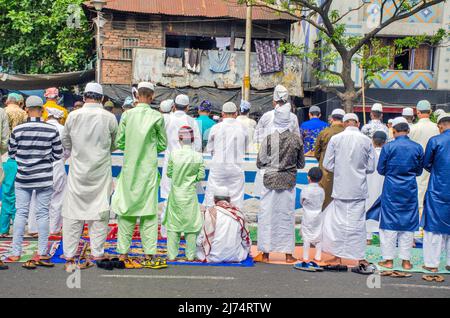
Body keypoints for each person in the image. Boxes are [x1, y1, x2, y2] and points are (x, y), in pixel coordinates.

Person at [61, 83, 118, 271]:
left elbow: (65, 142)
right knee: (100, 211)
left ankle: (69, 253)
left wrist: (76, 151)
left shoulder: (73, 116)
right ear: (101, 99)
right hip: (100, 171)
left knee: (73, 212)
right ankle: (97, 251)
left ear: (84, 97)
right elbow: (115, 143)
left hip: (78, 170)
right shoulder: (109, 117)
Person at [111, 82, 167, 269]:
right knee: (148, 214)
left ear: (136, 96)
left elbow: (119, 141)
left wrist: (133, 149)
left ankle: (123, 253)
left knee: (126, 212)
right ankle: (149, 254)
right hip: (148, 171)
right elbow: (162, 144)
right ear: (152, 97)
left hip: (129, 171)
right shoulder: (157, 117)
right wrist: (149, 149)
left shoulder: (127, 115)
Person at [7, 96, 62, 267]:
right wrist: (43, 160)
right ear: (42, 109)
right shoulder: (51, 130)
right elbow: (58, 155)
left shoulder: (18, 130)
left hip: (23, 177)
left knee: (21, 213)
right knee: (43, 214)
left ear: (27, 109)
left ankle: (16, 252)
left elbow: (11, 153)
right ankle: (42, 252)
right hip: (44, 177)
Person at [322, 113, 377, 272]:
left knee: (337, 223)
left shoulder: (336, 139)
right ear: (358, 123)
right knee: (358, 224)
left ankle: (337, 258)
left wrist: (341, 170)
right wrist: (358, 171)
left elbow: (328, 164)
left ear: (345, 124)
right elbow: (372, 167)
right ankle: (359, 258)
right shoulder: (366, 140)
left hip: (340, 187)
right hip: (358, 188)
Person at [256, 103, 305, 263]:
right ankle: (288, 255)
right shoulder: (296, 140)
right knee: (286, 217)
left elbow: (260, 162)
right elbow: (301, 164)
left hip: (270, 181)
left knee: (267, 217)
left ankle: (265, 254)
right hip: (288, 182)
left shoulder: (269, 139)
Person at [375, 117, 424, 270]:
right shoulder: (417, 147)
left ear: (394, 131)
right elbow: (419, 170)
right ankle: (406, 261)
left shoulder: (388, 147)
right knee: (408, 223)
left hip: (391, 188)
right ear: (408, 131)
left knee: (389, 223)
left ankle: (388, 260)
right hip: (409, 188)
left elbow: (381, 169)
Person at [163, 126, 205, 261]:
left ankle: (172, 255)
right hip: (190, 195)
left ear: (179, 139)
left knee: (173, 225)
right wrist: (190, 179)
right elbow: (201, 175)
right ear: (192, 139)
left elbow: (169, 173)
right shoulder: (198, 156)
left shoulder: (174, 154)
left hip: (175, 195)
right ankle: (190, 255)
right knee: (191, 226)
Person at [253, 85, 300, 198]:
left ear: (274, 101)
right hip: (287, 165)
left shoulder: (267, 116)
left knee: (265, 199)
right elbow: (298, 140)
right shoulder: (293, 117)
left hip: (267, 164)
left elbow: (257, 138)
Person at [29, 108, 68, 236]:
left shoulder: (40, 127)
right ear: (60, 118)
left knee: (36, 197)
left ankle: (34, 229)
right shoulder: (63, 129)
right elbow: (67, 151)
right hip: (57, 166)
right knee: (57, 199)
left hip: (38, 166)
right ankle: (53, 229)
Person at [204, 102, 248, 209]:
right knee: (236, 200)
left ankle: (212, 220)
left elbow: (209, 149)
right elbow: (245, 148)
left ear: (222, 114)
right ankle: (234, 222)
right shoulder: (243, 128)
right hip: (235, 169)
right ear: (236, 114)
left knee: (212, 197)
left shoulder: (216, 128)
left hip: (218, 169)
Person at [421, 113, 450, 272]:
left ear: (440, 126)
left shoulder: (435, 140)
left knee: (433, 227)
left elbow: (426, 163)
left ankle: (432, 264)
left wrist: (437, 170)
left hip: (438, 188)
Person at [160, 94, 201, 202]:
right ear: (187, 107)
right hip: (186, 162)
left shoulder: (166, 119)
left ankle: (167, 217)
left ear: (174, 106)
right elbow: (197, 146)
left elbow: (160, 140)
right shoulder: (192, 121)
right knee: (185, 194)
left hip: (170, 160)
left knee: (168, 195)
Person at [197, 187, 251, 263]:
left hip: (213, 257)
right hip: (236, 256)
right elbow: (246, 239)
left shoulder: (209, 213)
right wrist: (247, 249)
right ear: (229, 200)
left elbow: (201, 238)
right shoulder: (238, 213)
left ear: (214, 200)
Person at [409, 100, 439, 221]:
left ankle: (418, 223)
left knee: (417, 194)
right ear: (430, 111)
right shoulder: (437, 128)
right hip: (434, 167)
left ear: (417, 112)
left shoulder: (412, 128)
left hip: (416, 167)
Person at [1, 93, 25, 237]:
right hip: (20, 157)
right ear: (21, 102)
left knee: (6, 192)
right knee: (18, 194)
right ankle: (17, 225)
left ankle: (3, 228)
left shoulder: (3, 112)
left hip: (4, 156)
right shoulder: (24, 114)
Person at [314, 108, 345, 210]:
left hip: (325, 171)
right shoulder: (347, 133)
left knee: (325, 199)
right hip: (344, 170)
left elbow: (317, 152)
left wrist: (322, 162)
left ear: (332, 118)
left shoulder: (324, 132)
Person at [299, 167, 325, 268]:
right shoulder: (321, 190)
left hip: (308, 215)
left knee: (307, 236)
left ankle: (305, 256)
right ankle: (318, 256)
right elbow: (322, 201)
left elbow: (302, 201)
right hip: (318, 215)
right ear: (321, 178)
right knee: (318, 235)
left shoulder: (305, 189)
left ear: (308, 178)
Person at [365, 131, 387, 245]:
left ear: (372, 141)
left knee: (367, 208)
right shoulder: (387, 152)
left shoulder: (368, 153)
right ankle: (383, 239)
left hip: (368, 185)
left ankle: (367, 237)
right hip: (383, 186)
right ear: (385, 142)